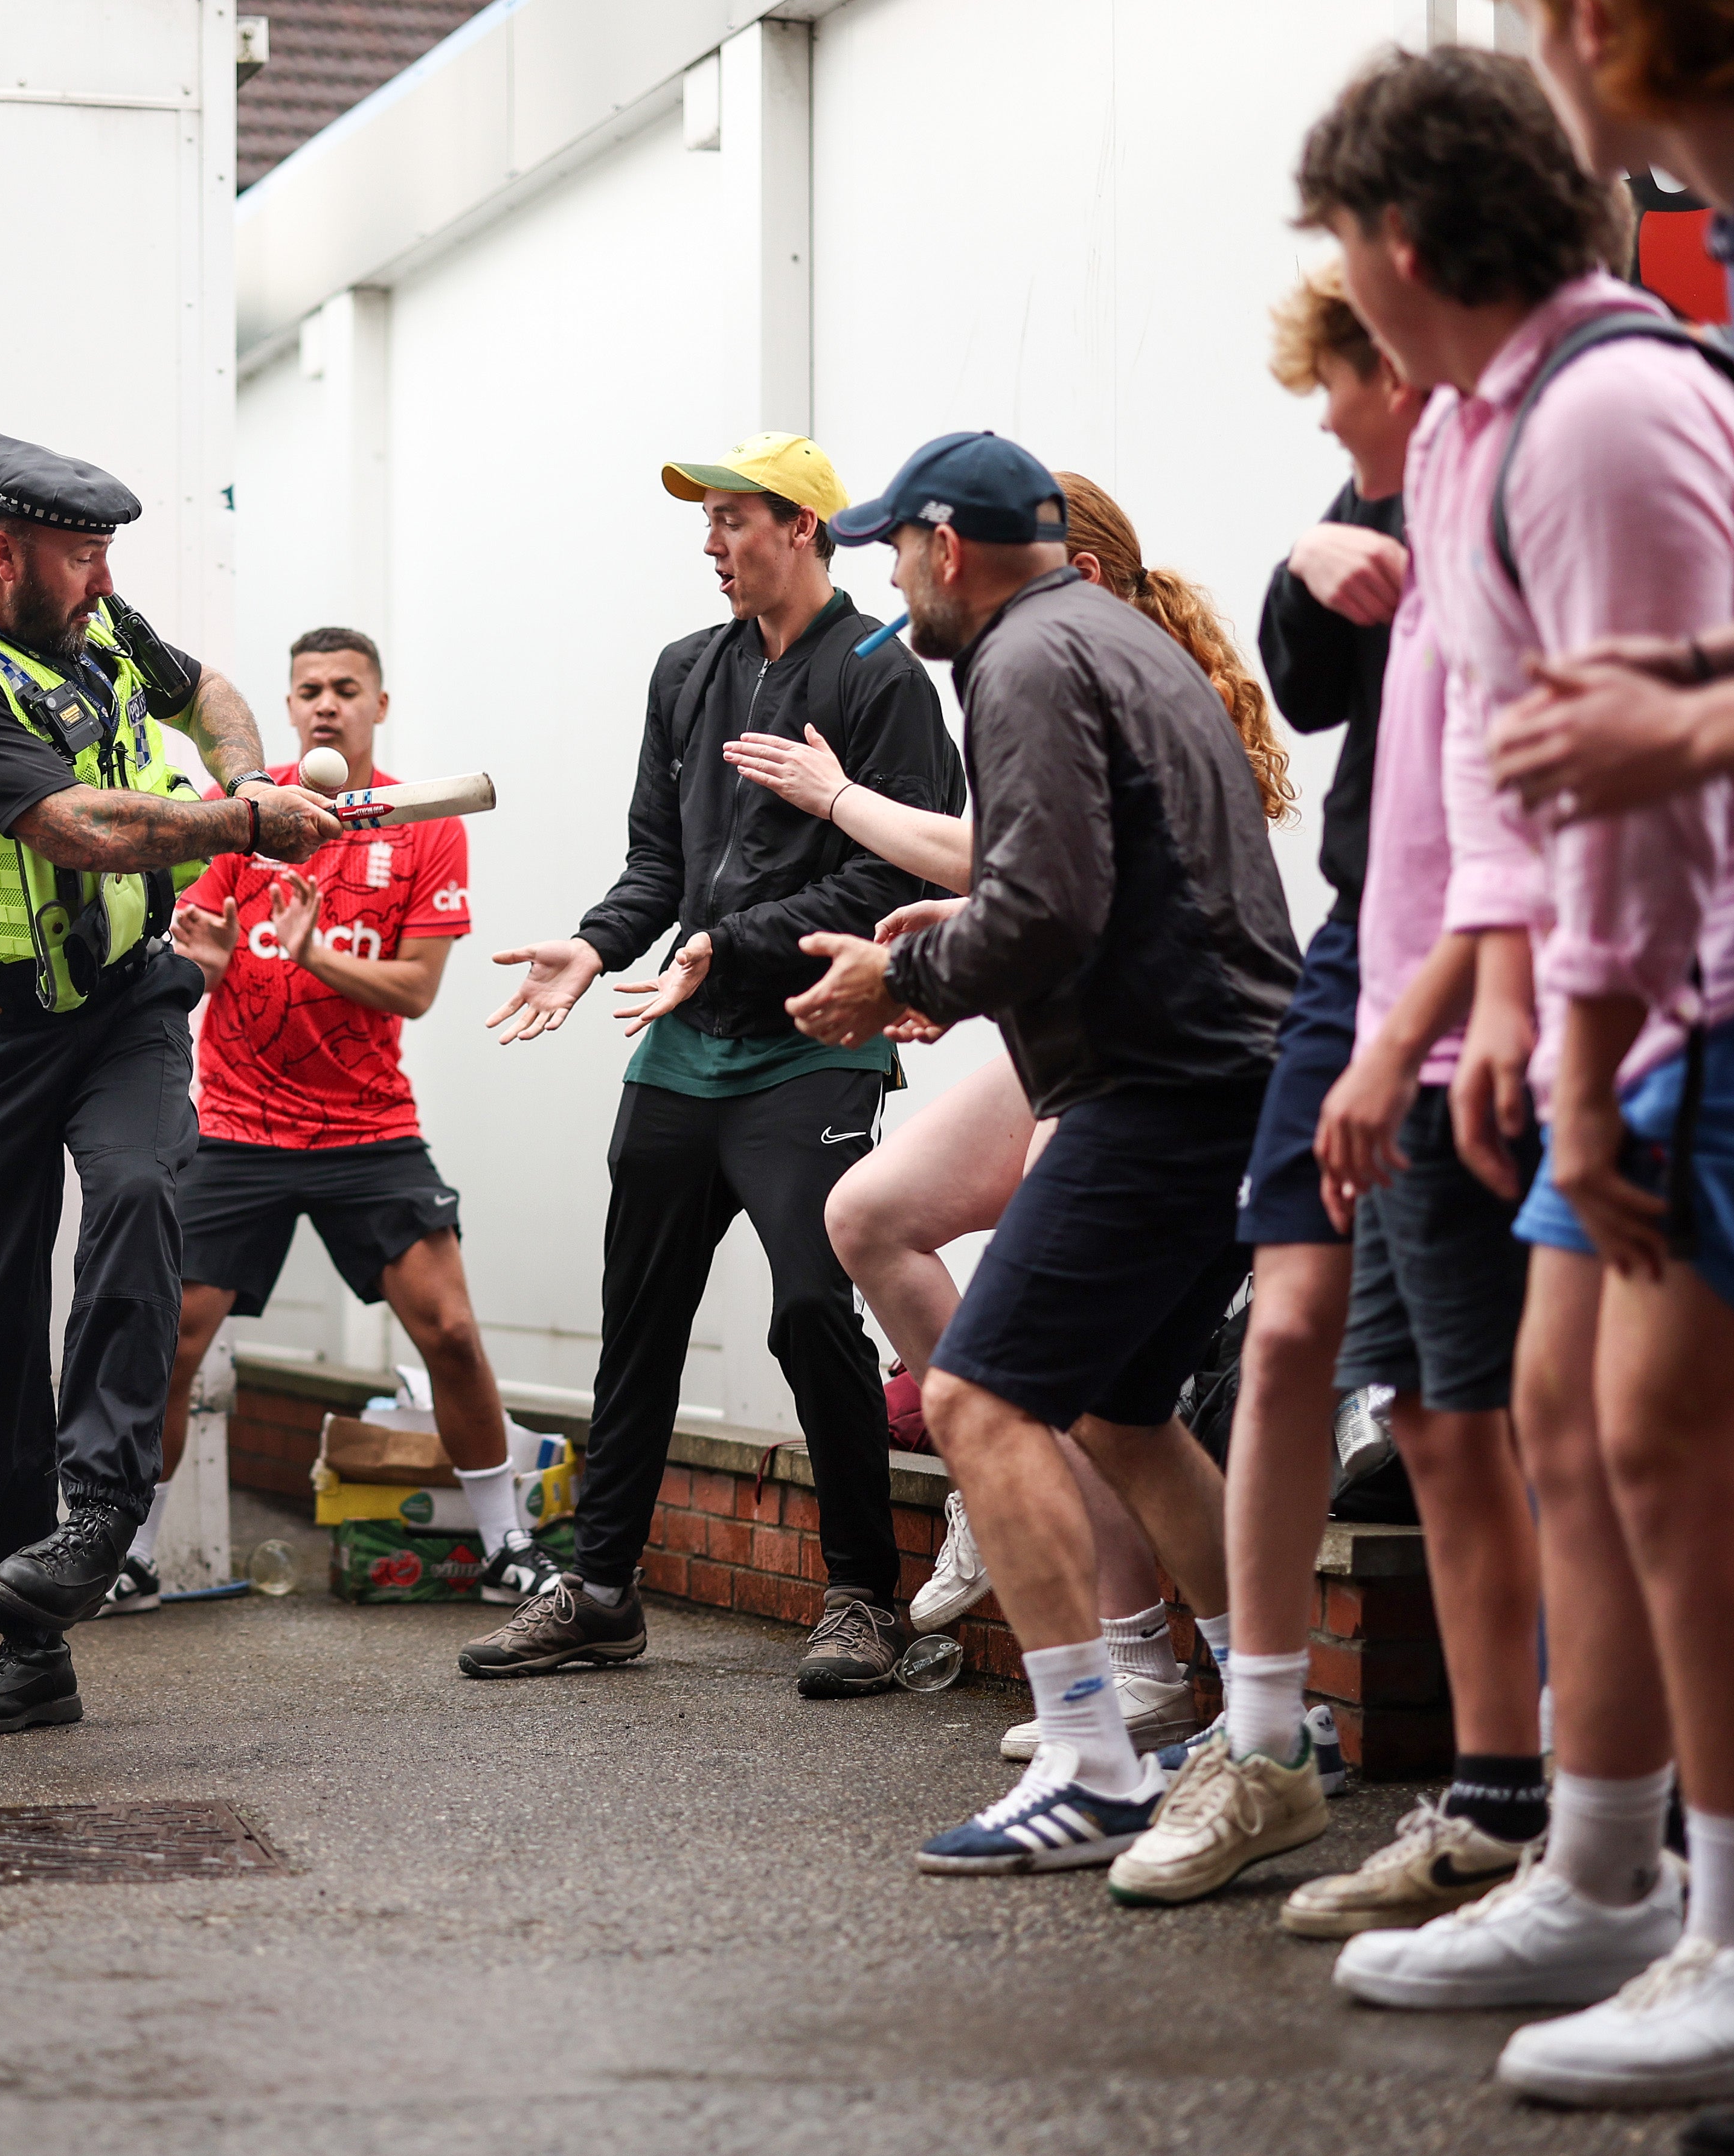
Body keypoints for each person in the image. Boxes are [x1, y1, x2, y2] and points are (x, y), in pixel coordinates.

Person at [1331, 22, 1734, 2114]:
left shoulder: (1664, 356)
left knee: (1659, 1437)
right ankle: (1614, 1876)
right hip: (1666, 977)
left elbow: (1618, 788)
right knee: (1580, 1418)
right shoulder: (1726, 259)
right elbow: (1574, 745)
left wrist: (1570, 1027)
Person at [791, 429, 1300, 1877]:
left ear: (946, 545)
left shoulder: (1015, 659)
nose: (893, 577)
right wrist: (942, 942)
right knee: (1128, 1413)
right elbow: (1086, 881)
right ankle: (1266, 1733)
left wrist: (898, 979)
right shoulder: (1115, 641)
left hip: (1155, 1087)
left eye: (894, 548)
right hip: (1226, 1079)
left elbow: (1048, 907)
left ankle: (1089, 1758)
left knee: (976, 1398)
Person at [0, 427, 337, 1737]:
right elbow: (76, 825)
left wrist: (245, 771)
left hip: (123, 1008)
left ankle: (103, 1511)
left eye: (106, 553)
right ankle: (26, 1645)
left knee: (133, 1190)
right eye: (79, 556)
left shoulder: (98, 624)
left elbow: (214, 693)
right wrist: (247, 825)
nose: (101, 579)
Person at [461, 433, 965, 1691]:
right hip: (682, 1052)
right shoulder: (687, 672)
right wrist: (590, 947)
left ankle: (860, 1596)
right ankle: (596, 1593)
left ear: (802, 527)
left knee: (809, 1312)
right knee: (637, 1324)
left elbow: (893, 871)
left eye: (732, 519)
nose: (709, 545)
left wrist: (723, 946)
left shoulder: (880, 673)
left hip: (814, 1046)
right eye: (706, 523)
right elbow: (657, 868)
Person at [1254, 270, 1556, 1941]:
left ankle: (1595, 1827)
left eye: (1333, 384)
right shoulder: (1402, 494)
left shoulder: (1519, 473)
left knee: (1555, 1436)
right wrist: (1304, 557)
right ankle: (1507, 1802)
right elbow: (1354, 731)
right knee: (1438, 1419)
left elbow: (1511, 811)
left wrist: (1452, 1011)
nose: (1321, 421)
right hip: (1388, 997)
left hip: (1453, 1028)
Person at [157, 625, 542, 1616]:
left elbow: (414, 991)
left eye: (346, 688)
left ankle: (508, 1547)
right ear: (288, 708)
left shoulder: (423, 824)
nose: (326, 705)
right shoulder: (243, 816)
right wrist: (205, 952)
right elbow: (201, 965)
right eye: (308, 690)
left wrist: (309, 951)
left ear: (379, 704)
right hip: (239, 1122)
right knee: (171, 1337)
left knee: (450, 1329)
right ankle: (135, 1550)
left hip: (367, 1126)